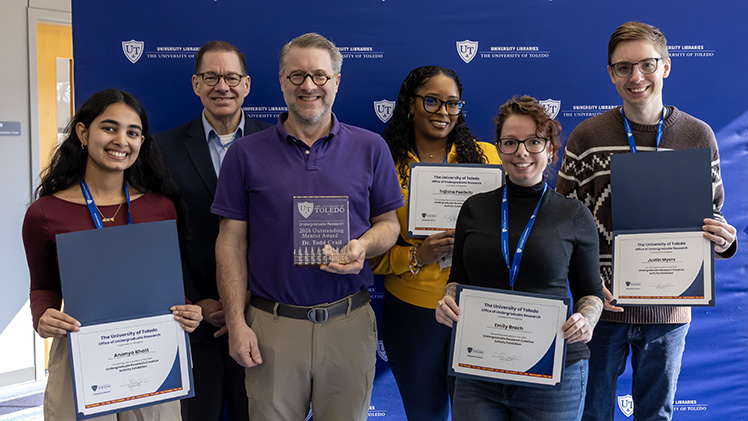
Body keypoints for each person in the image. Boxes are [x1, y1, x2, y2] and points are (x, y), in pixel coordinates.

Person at [211, 33, 402, 420]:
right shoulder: (245, 153)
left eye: (320, 75)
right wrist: (236, 324)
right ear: (281, 81)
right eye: (297, 76)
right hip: (271, 326)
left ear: (336, 81)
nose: (309, 86)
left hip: (348, 323)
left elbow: (389, 226)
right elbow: (230, 242)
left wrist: (362, 246)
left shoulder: (371, 148)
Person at [556, 21, 738, 421]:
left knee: (656, 415)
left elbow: (713, 214)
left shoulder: (697, 135)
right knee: (591, 414)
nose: (636, 77)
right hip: (603, 308)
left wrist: (724, 241)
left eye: (647, 65)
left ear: (666, 66)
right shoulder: (587, 136)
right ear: (611, 73)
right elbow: (560, 224)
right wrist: (586, 283)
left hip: (670, 311)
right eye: (623, 67)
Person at [22, 89, 203, 421]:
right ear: (82, 133)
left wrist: (188, 310)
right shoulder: (45, 213)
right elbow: (42, 286)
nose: (121, 140)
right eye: (109, 128)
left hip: (152, 358)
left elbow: (168, 284)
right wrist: (43, 316)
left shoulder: (160, 207)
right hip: (82, 357)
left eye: (132, 132)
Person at [436, 95, 604, 421]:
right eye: (510, 142)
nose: (521, 152)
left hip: (554, 369)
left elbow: (591, 293)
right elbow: (457, 278)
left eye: (533, 142)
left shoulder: (574, 215)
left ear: (551, 150)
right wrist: (448, 299)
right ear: (498, 149)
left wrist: (588, 320)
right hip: (479, 368)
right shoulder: (474, 208)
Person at [369, 65, 500, 420]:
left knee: (479, 413)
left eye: (452, 104)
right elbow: (371, 250)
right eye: (431, 101)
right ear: (410, 105)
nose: (443, 112)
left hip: (479, 309)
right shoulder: (385, 162)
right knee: (424, 413)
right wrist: (418, 254)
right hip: (413, 313)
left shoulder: (488, 157)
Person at [156, 40, 272, 421]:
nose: (222, 86)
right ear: (195, 83)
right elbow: (158, 237)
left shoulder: (277, 147)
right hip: (190, 320)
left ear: (248, 84)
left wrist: (248, 299)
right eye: (211, 76)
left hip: (262, 315)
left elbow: (285, 233)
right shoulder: (162, 149)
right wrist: (195, 301)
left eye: (232, 77)